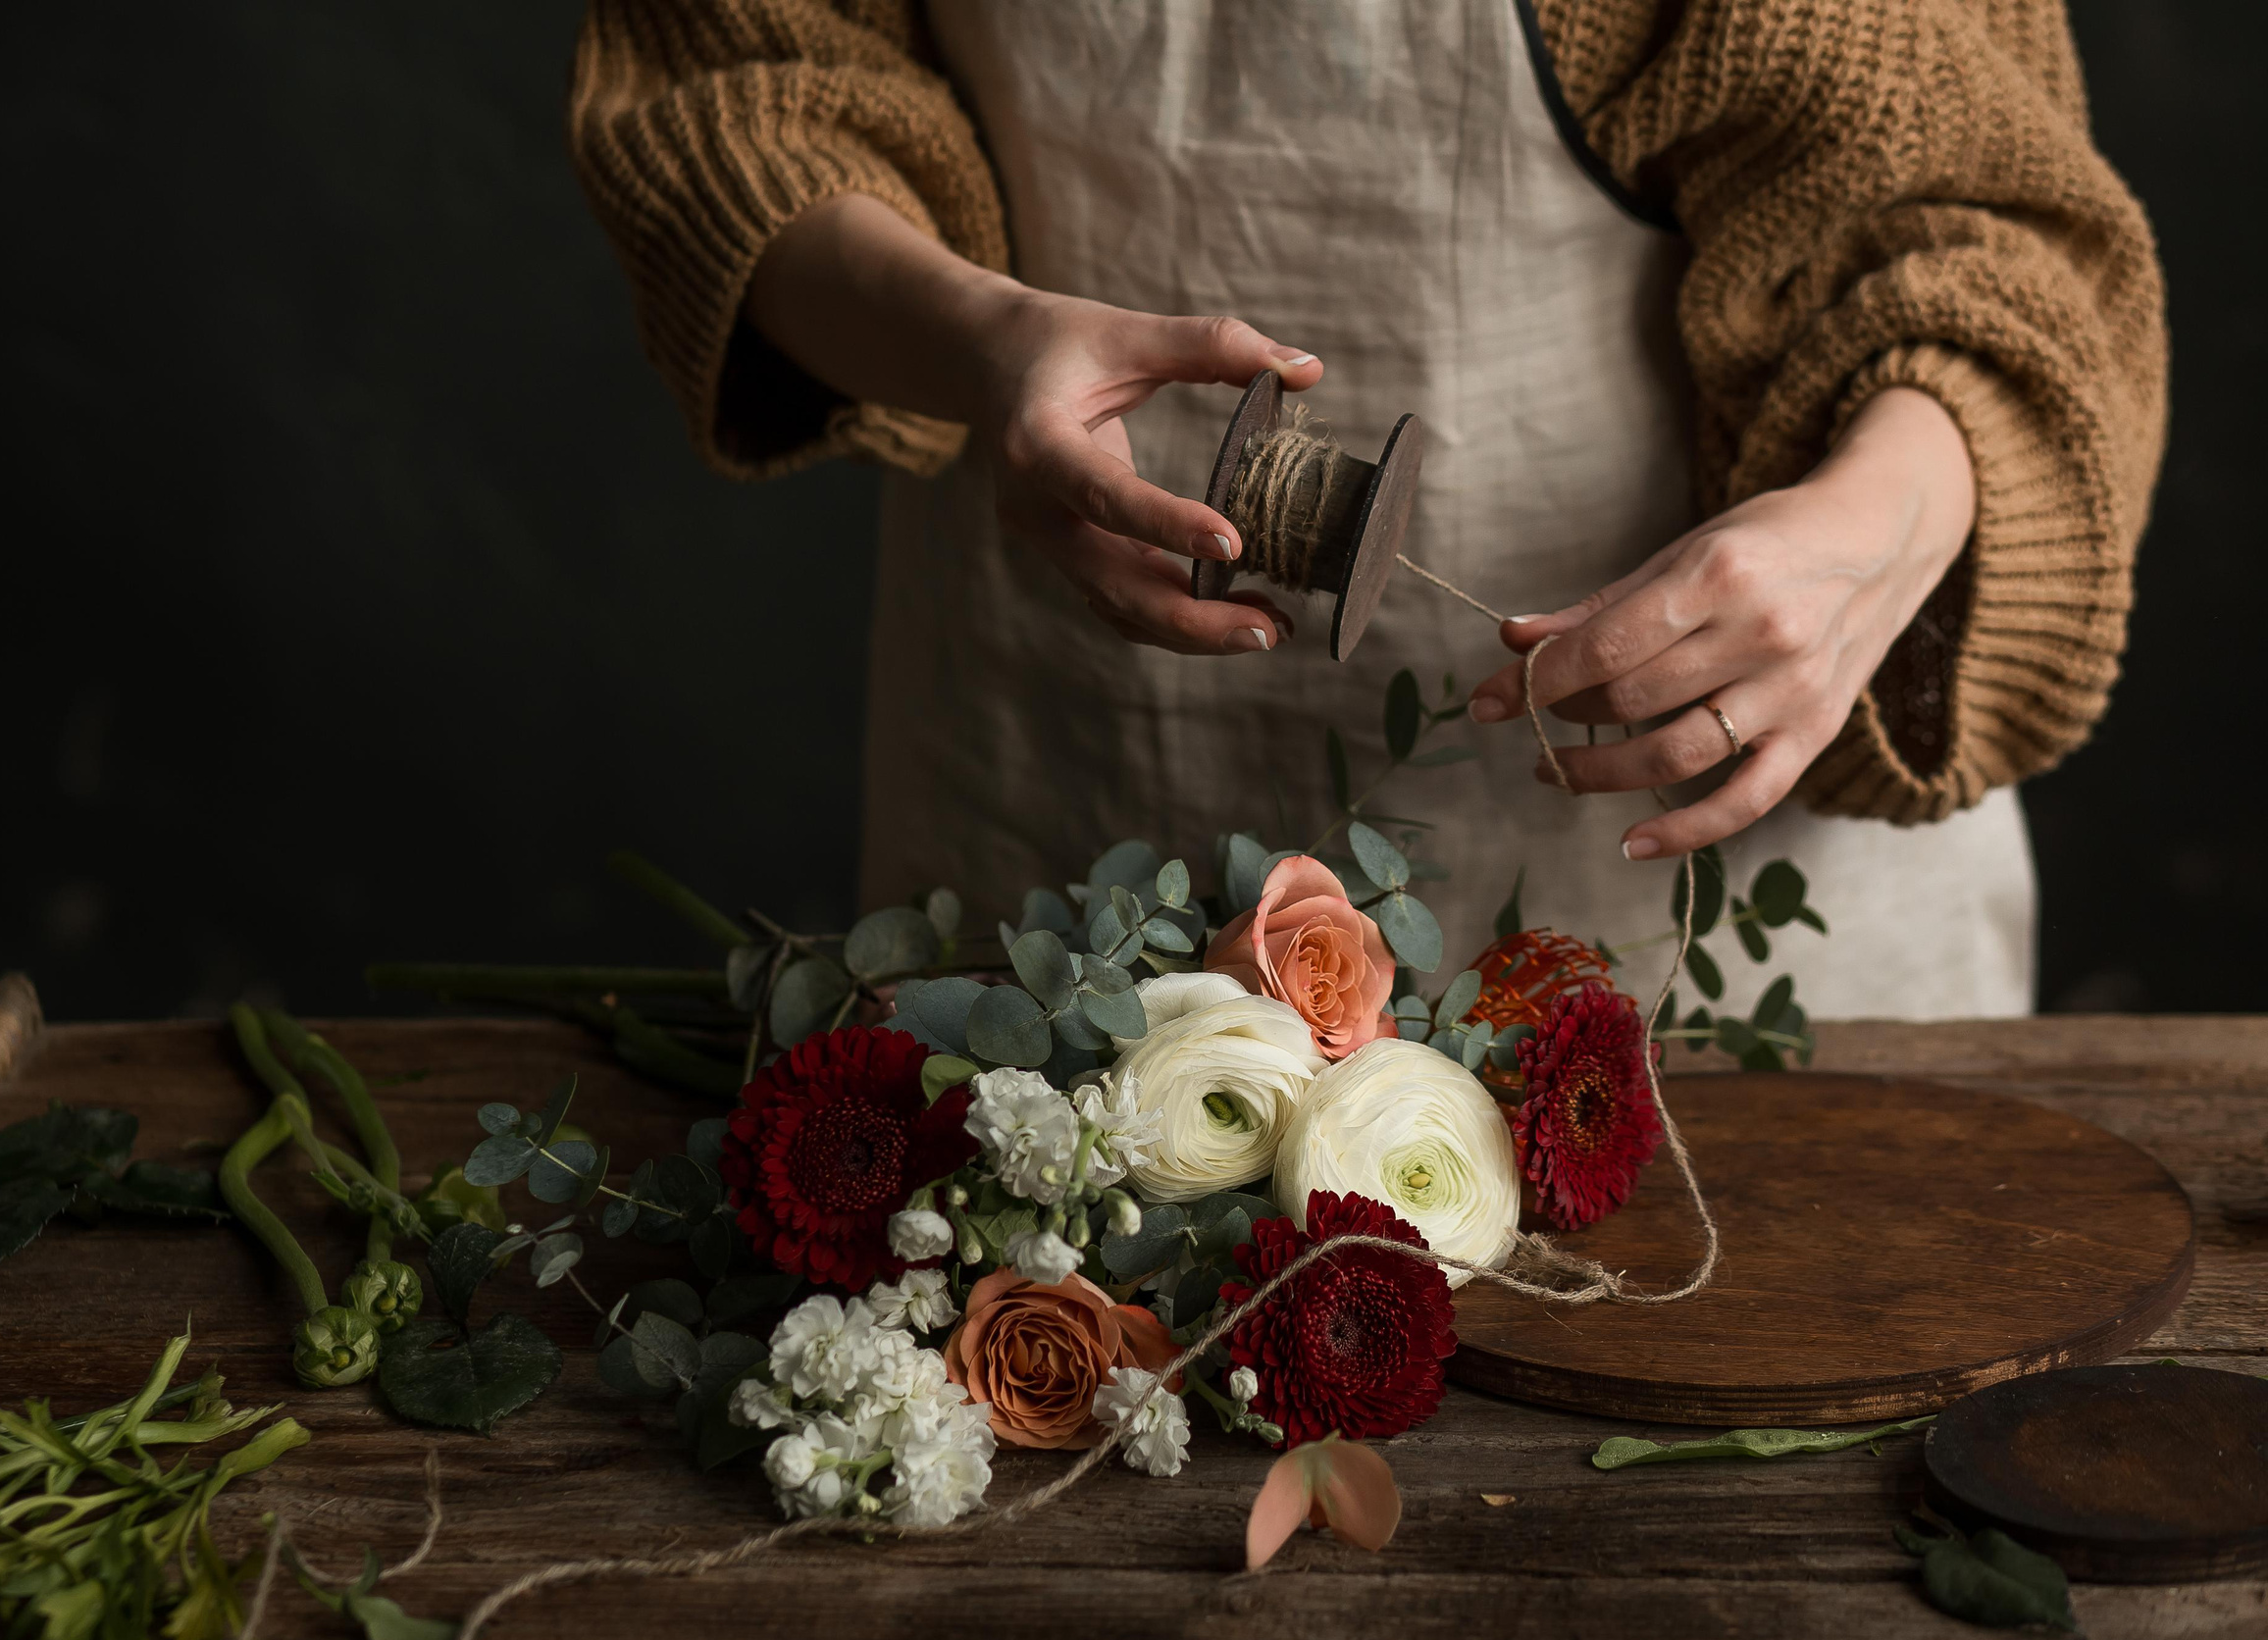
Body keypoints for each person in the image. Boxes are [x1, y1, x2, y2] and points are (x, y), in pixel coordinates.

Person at [568, 1, 2164, 1017]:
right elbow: (743, 90)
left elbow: (1982, 231)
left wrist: (1872, 528)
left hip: (1705, 967)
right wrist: (984, 344)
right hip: (1075, 889)